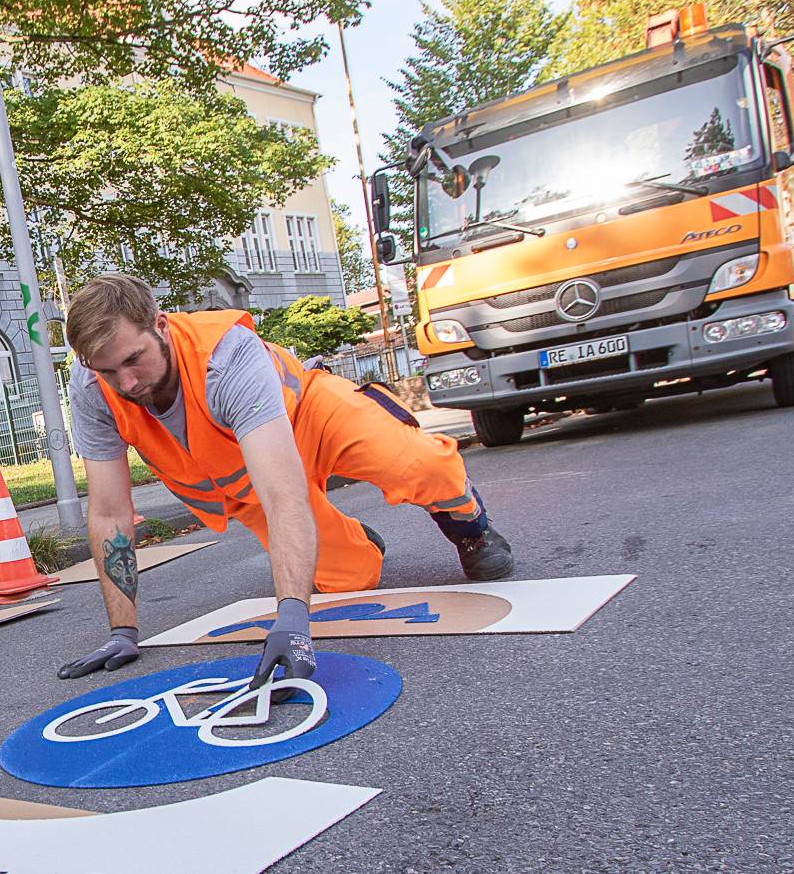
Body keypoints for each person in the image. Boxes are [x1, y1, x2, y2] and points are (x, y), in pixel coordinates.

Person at [54, 274, 513, 685]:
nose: (127, 382)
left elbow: (283, 493)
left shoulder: (225, 358)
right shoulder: (92, 385)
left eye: (134, 359)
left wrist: (292, 618)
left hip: (308, 418)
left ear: (160, 325)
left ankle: (469, 524)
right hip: (246, 472)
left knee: (417, 464)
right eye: (108, 370)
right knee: (350, 579)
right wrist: (123, 630)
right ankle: (356, 540)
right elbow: (110, 511)